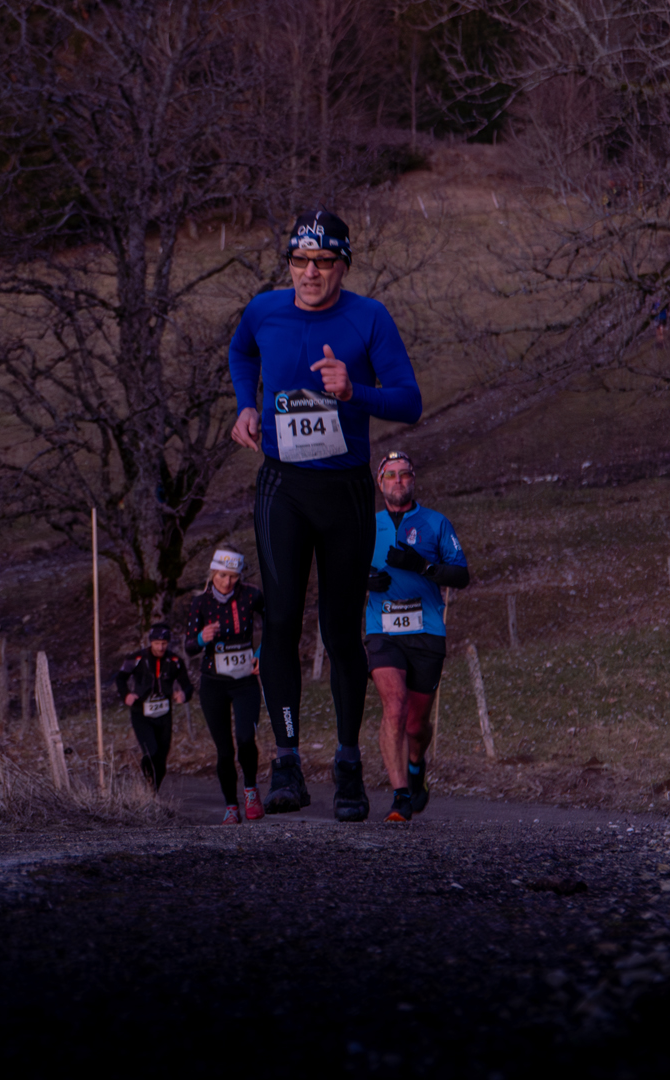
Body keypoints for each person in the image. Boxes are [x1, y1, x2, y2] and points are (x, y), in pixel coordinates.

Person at [228, 209, 423, 822]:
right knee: (281, 620)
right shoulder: (264, 310)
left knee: (340, 632)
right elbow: (241, 351)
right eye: (300, 261)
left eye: (323, 262)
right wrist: (245, 405)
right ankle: (286, 761)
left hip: (343, 493)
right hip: (282, 487)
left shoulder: (370, 318)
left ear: (343, 265)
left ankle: (347, 766)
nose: (310, 273)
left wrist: (352, 391)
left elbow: (410, 401)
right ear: (289, 263)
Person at [364, 451, 469, 821]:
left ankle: (415, 764)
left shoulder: (435, 523)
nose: (398, 480)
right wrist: (364, 580)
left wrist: (423, 566)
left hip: (427, 631)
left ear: (413, 480)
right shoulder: (366, 525)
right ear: (380, 483)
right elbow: (337, 571)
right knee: (394, 706)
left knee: (416, 725)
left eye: (405, 474)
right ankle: (400, 796)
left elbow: (461, 575)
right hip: (382, 631)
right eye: (390, 475)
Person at [185, 548, 268, 824]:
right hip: (213, 684)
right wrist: (201, 638)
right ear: (213, 573)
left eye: (233, 576)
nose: (227, 582)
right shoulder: (200, 602)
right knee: (224, 750)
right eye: (222, 575)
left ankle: (251, 790)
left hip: (245, 681)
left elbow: (274, 621)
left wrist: (261, 652)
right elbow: (189, 646)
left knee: (245, 738)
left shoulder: (251, 595)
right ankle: (231, 806)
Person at [115, 625, 193, 792]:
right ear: (150, 642)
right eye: (157, 643)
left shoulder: (175, 661)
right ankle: (149, 786)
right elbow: (120, 678)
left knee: (161, 758)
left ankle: (153, 790)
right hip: (141, 713)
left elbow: (188, 685)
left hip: (164, 714)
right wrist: (126, 695)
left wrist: (184, 695)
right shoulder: (136, 658)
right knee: (151, 752)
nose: (160, 647)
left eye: (164, 643)